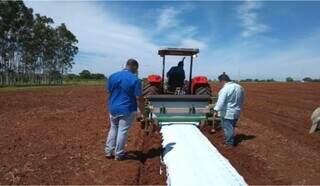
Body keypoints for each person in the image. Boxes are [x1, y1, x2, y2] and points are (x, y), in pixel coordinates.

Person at [105, 59, 145, 160]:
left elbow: (109, 91)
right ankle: (119, 154)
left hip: (113, 108)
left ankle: (109, 151)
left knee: (113, 128)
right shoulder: (135, 80)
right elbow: (139, 98)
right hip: (127, 108)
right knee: (122, 131)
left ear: (126, 65)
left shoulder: (112, 76)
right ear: (135, 67)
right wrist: (143, 112)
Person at [214, 72, 244, 148]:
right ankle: (229, 140)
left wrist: (215, 110)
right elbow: (242, 100)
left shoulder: (225, 89)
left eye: (220, 82)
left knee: (228, 129)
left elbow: (221, 102)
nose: (221, 84)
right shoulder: (240, 87)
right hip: (236, 111)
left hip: (227, 112)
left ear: (222, 81)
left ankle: (229, 144)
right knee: (231, 127)